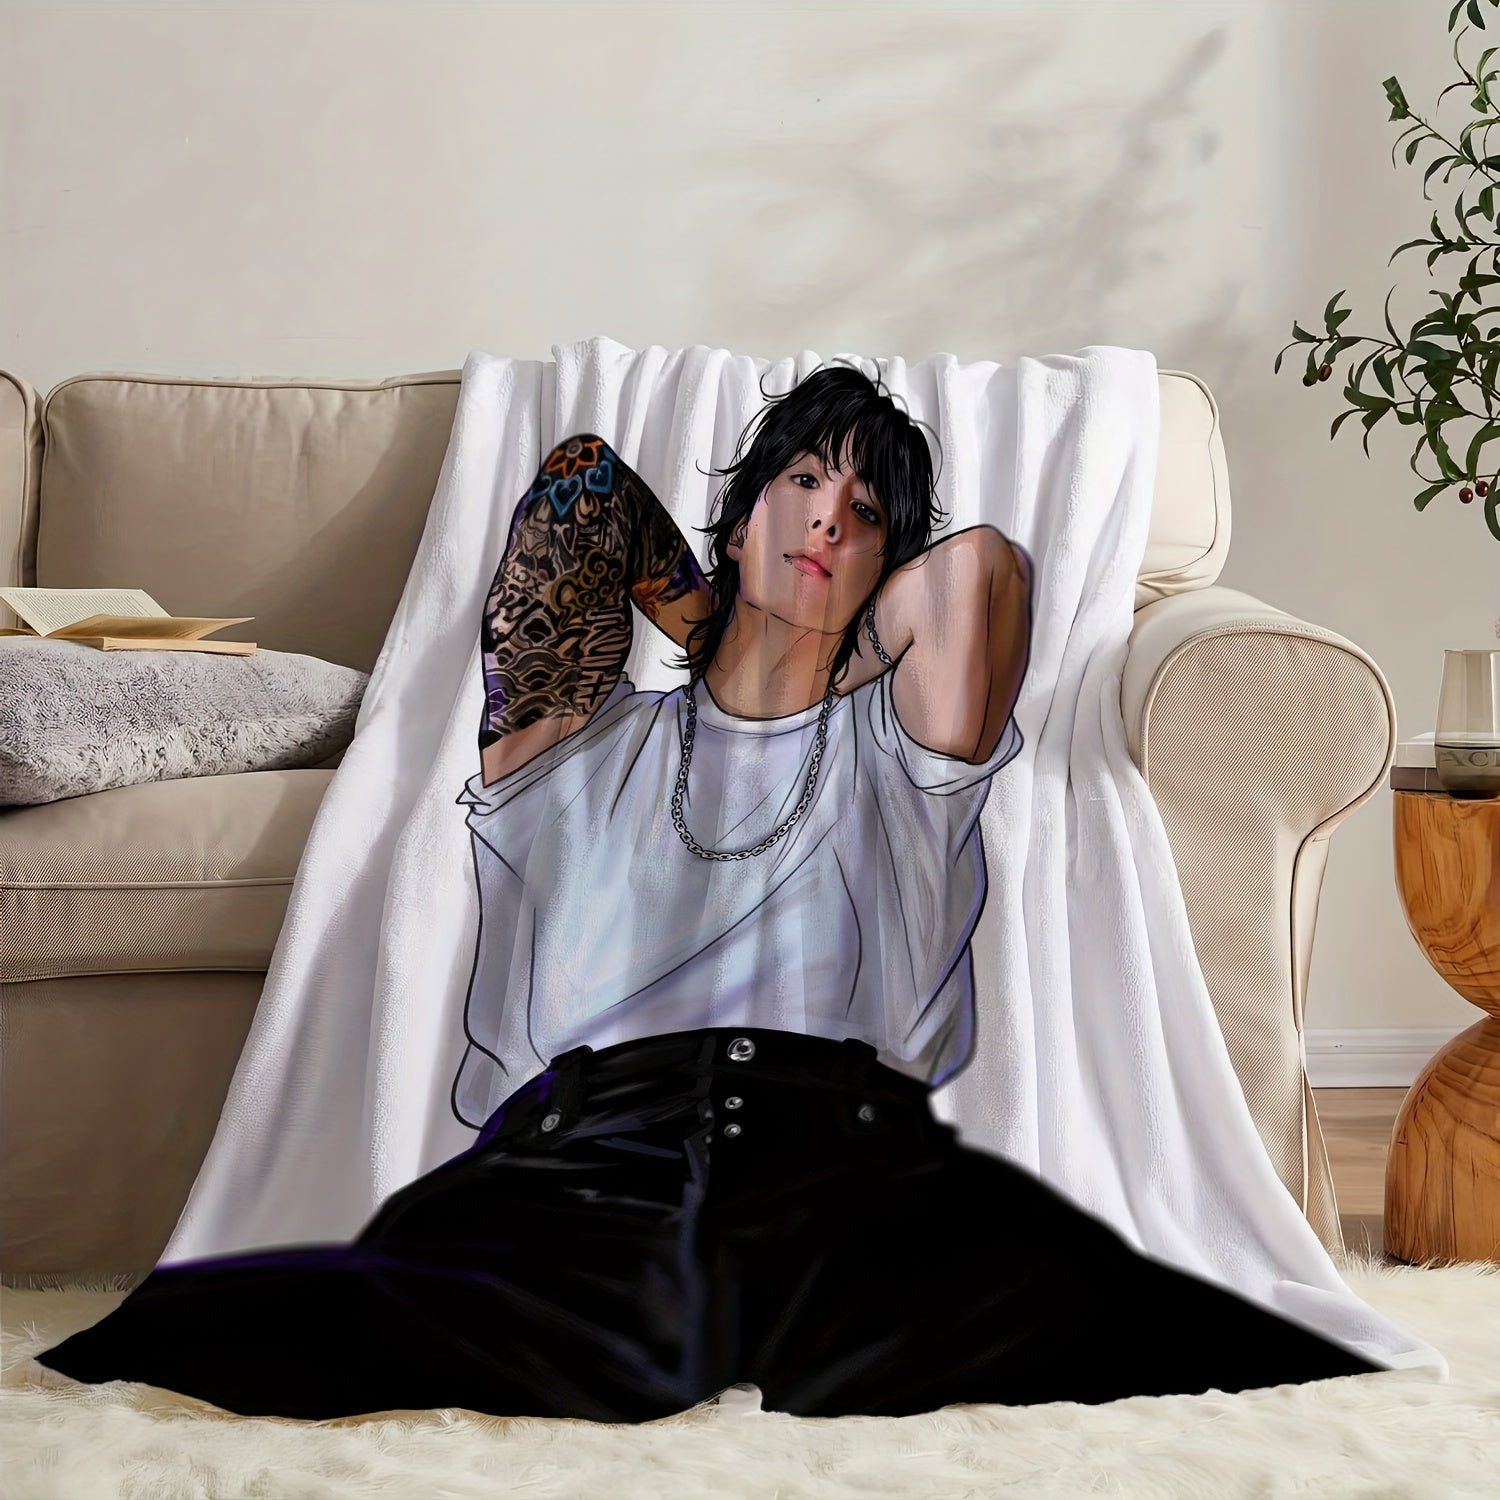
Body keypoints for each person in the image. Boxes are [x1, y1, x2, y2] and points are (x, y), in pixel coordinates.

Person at [35, 365, 1383, 1423]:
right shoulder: (576, 743)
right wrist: (728, 626)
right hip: (587, 1155)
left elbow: (978, 575)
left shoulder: (900, 753)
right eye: (802, 481)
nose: (831, 518)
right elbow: (579, 489)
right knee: (371, 1331)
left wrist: (820, 645)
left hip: (847, 1155)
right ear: (736, 521)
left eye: (866, 514)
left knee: (1151, 1333)